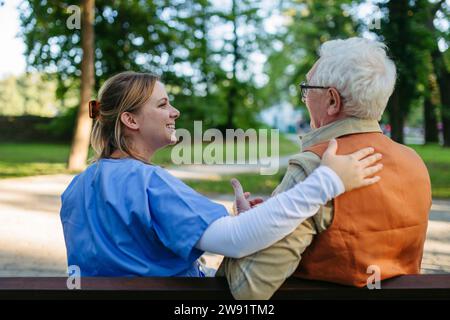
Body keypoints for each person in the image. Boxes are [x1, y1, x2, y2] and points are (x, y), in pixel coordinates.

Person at [60, 71, 382, 277]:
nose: (175, 112)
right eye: (163, 105)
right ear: (131, 120)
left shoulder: (77, 187)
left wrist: (240, 220)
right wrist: (327, 182)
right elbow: (236, 242)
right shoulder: (149, 184)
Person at [216, 37, 432, 299]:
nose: (304, 98)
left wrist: (243, 230)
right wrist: (263, 221)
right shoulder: (414, 163)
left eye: (307, 88)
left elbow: (248, 288)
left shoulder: (315, 167)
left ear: (332, 101)